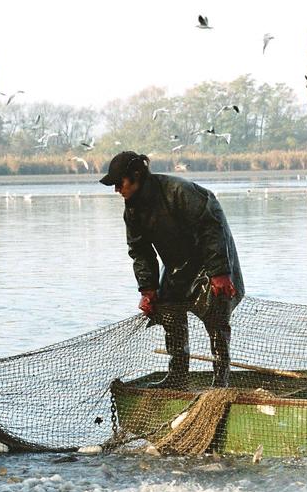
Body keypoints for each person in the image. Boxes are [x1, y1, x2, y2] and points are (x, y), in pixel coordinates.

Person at [101, 151, 244, 388]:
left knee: (216, 315)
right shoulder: (132, 210)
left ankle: (221, 381)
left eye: (119, 183)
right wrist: (147, 290)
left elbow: (211, 228)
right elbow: (140, 251)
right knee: (167, 308)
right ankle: (177, 376)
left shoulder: (179, 191)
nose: (117, 189)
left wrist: (219, 272)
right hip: (178, 265)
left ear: (136, 175)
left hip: (210, 260)